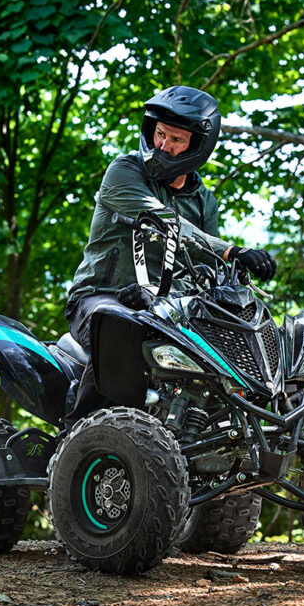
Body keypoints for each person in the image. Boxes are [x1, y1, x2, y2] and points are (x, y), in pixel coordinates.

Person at [63, 85, 276, 425]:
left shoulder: (203, 201)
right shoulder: (125, 172)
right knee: (122, 325)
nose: (164, 145)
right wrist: (232, 250)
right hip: (98, 299)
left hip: (165, 307)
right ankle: (81, 435)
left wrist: (235, 269)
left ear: (198, 146)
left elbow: (206, 270)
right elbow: (165, 223)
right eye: (160, 134)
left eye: (177, 139)